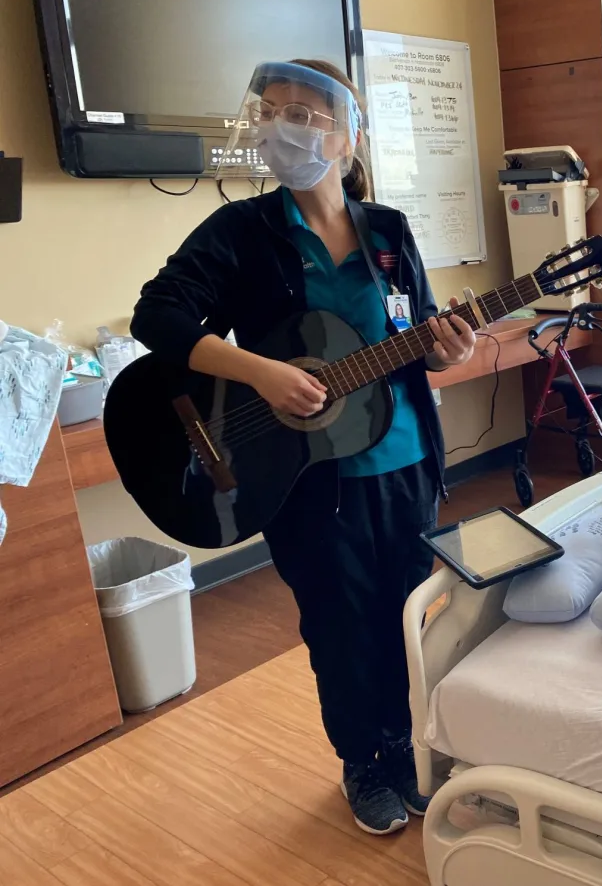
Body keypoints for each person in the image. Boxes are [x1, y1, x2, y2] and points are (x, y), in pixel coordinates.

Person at [130, 59, 476, 836]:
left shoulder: (388, 229)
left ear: (347, 136)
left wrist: (444, 350)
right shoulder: (242, 233)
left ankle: (406, 746)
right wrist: (262, 373)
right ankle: (364, 763)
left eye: (305, 114)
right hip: (305, 477)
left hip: (406, 462)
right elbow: (156, 316)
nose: (283, 126)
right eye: (274, 110)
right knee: (338, 622)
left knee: (406, 614)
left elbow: (411, 332)